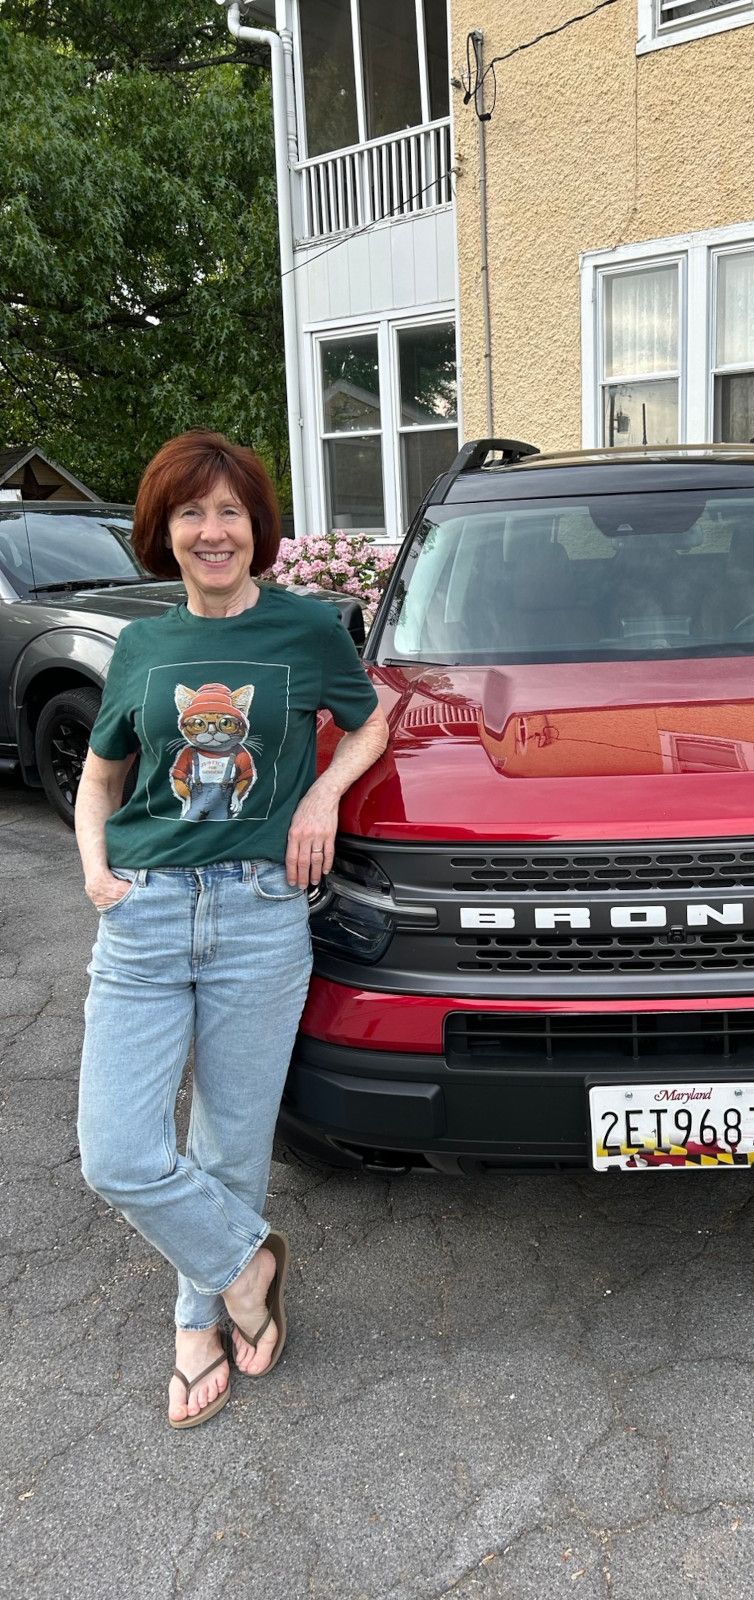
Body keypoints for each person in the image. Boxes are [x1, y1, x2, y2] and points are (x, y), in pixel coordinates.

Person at [74, 431, 389, 1429]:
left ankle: (194, 1322)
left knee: (230, 1145)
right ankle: (249, 1263)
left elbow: (372, 718)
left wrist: (324, 795)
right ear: (163, 534)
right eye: (190, 514)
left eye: (231, 512)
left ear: (259, 529)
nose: (213, 531)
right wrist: (93, 870)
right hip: (147, 912)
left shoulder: (305, 631)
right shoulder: (143, 646)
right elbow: (100, 776)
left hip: (259, 915)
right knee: (117, 1152)